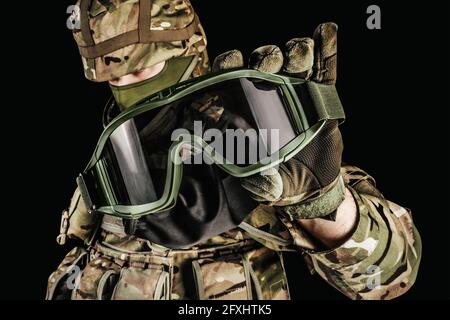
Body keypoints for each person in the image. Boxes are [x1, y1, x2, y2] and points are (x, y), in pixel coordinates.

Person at [46, 0, 421, 300]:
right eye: (114, 79)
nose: (127, 87)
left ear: (189, 54)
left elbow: (386, 278)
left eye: (144, 71)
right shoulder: (111, 173)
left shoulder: (259, 146)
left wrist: (321, 204)